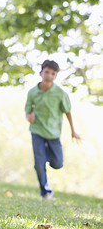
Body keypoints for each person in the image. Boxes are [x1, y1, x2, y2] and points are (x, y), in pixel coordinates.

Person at [25, 59, 80, 200]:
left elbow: (68, 112)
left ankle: (45, 155)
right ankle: (45, 192)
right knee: (39, 164)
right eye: (47, 72)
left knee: (57, 164)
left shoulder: (60, 93)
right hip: (37, 131)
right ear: (41, 73)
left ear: (55, 76)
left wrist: (73, 131)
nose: (49, 76)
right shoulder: (32, 92)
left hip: (54, 133)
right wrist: (29, 117)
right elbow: (27, 110)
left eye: (53, 73)